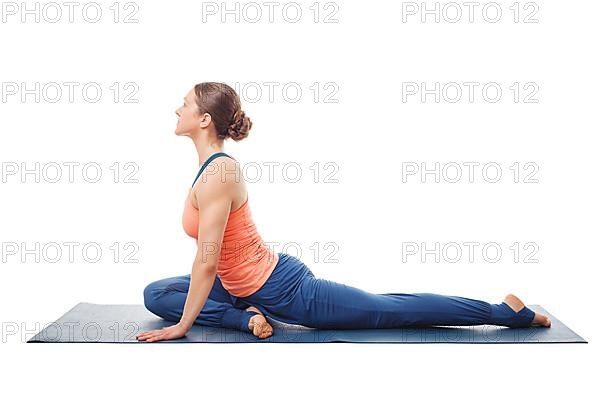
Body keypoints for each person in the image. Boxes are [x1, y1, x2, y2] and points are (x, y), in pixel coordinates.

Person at [136, 82, 551, 342]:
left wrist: (182, 327)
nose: (177, 109)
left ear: (204, 119)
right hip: (238, 287)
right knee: (157, 293)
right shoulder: (207, 169)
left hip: (282, 288)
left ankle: (505, 313)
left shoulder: (219, 174)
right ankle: (246, 320)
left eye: (184, 103)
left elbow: (206, 262)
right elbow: (211, 263)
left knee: (387, 310)